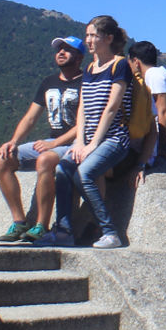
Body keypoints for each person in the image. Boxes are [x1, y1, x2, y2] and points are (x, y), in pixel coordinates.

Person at [40, 15, 132, 249]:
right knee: (63, 170)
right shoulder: (91, 67)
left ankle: (110, 232)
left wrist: (93, 145)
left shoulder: (119, 65)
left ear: (108, 38)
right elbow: (83, 107)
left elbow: (112, 107)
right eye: (87, 35)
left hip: (114, 138)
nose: (88, 40)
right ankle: (63, 231)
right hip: (88, 138)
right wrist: (80, 141)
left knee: (85, 174)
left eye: (94, 35)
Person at [0, 35, 85, 242]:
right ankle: (19, 221)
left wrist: (55, 144)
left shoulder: (86, 82)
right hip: (51, 141)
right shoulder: (48, 82)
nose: (60, 52)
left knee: (45, 160)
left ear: (79, 57)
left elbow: (84, 123)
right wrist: (13, 142)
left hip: (72, 144)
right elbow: (31, 117)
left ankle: (41, 225)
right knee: (1, 159)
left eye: (67, 50)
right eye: (59, 49)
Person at [126, 41, 166, 185]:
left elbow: (164, 111)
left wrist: (162, 148)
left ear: (136, 62)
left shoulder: (153, 75)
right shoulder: (161, 72)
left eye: (128, 62)